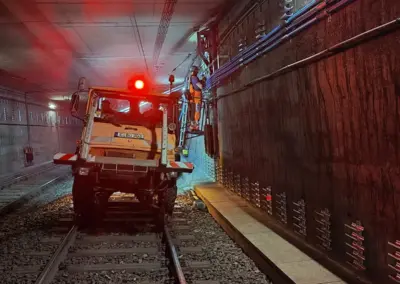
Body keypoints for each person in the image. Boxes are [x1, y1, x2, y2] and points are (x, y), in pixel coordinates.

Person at [188, 66, 204, 130]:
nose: (197, 72)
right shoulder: (194, 78)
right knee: (197, 111)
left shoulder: (191, 78)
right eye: (197, 71)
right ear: (195, 71)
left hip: (194, 98)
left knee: (195, 111)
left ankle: (194, 124)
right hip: (196, 98)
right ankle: (196, 123)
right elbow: (200, 86)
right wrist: (203, 83)